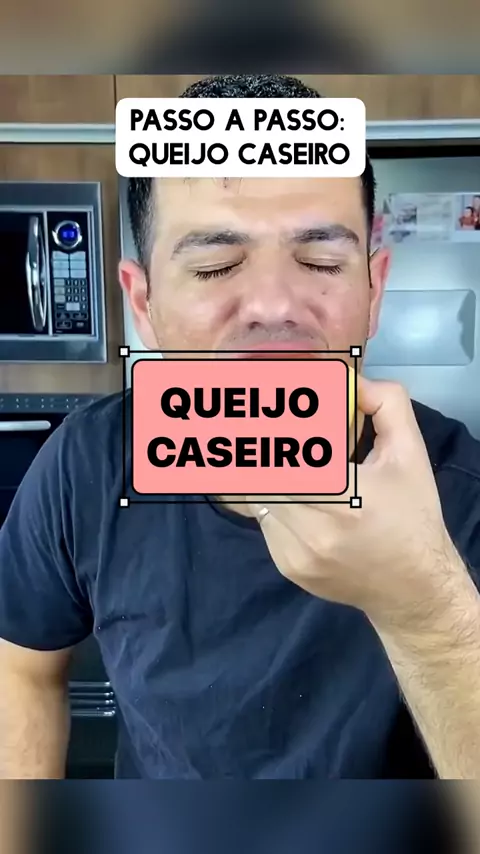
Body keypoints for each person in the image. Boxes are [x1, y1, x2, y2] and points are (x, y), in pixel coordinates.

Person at [1, 74, 479, 852]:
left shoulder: (465, 492)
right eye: (217, 266)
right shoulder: (84, 465)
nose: (273, 307)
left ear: (373, 290)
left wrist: (429, 613)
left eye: (320, 260)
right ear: (144, 305)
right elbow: (21, 666)